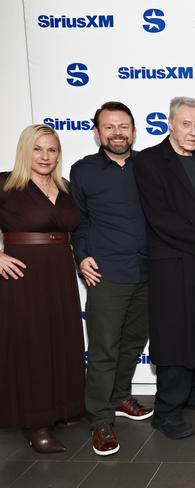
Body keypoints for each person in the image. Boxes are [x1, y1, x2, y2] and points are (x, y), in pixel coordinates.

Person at [133, 97, 195, 440]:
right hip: (173, 261)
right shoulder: (148, 161)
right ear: (170, 124)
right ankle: (167, 409)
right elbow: (159, 217)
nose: (193, 132)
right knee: (176, 333)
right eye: (186, 124)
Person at [70, 101, 152, 456]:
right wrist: (81, 256)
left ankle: (119, 397)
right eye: (109, 127)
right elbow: (80, 221)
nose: (117, 133)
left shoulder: (149, 167)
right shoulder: (83, 170)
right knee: (104, 348)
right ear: (97, 131)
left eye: (124, 127)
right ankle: (100, 418)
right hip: (106, 274)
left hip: (148, 272)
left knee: (133, 342)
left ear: (134, 131)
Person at [0, 124, 85, 453]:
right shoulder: (7, 184)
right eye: (38, 149)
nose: (45, 156)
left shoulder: (64, 187)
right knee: (32, 345)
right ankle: (36, 423)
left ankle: (60, 409)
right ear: (25, 151)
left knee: (60, 339)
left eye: (52, 149)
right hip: (24, 275)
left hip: (61, 271)